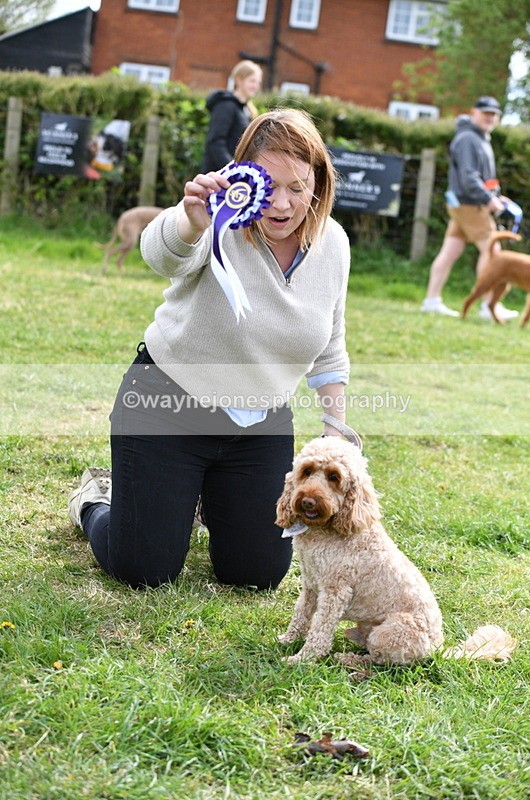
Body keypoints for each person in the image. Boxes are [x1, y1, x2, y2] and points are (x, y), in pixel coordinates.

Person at [68, 108, 351, 592]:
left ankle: (194, 500)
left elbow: (330, 348)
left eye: (298, 187)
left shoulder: (335, 245)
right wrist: (190, 219)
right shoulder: (218, 222)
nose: (281, 203)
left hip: (259, 425)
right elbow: (160, 255)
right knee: (145, 570)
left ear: (318, 183)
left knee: (257, 575)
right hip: (166, 406)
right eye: (270, 184)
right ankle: (95, 501)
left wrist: (337, 434)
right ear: (244, 176)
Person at [421, 96, 518, 320]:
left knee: (450, 251)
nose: (490, 117)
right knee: (493, 252)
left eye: (494, 114)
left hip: (467, 203)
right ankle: (489, 306)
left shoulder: (480, 138)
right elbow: (468, 176)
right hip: (470, 205)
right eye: (485, 112)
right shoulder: (468, 139)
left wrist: (497, 196)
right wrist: (487, 199)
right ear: (473, 112)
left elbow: (481, 177)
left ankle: (431, 301)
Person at [201, 60, 263, 172]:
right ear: (239, 80)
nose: (255, 86)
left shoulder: (247, 109)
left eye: (258, 82)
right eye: (252, 81)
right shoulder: (225, 106)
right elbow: (215, 142)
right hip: (219, 177)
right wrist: (232, 170)